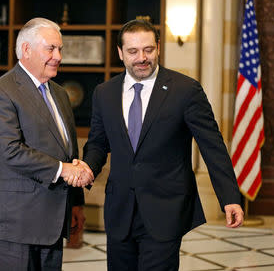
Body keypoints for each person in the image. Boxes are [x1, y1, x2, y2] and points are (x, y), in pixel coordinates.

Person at [81, 19, 244, 271]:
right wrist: (88, 167)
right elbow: (98, 143)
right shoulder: (104, 93)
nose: (141, 58)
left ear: (158, 47)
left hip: (165, 209)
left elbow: (212, 146)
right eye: (133, 51)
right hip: (120, 210)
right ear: (120, 53)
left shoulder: (185, 90)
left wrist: (230, 197)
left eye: (148, 49)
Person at [0, 17, 93, 270]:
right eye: (50, 48)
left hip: (52, 223)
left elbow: (69, 151)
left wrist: (75, 203)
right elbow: (9, 151)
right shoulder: (0, 91)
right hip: (13, 226)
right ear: (26, 50)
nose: (58, 56)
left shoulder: (61, 94)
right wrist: (65, 170)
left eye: (60, 49)